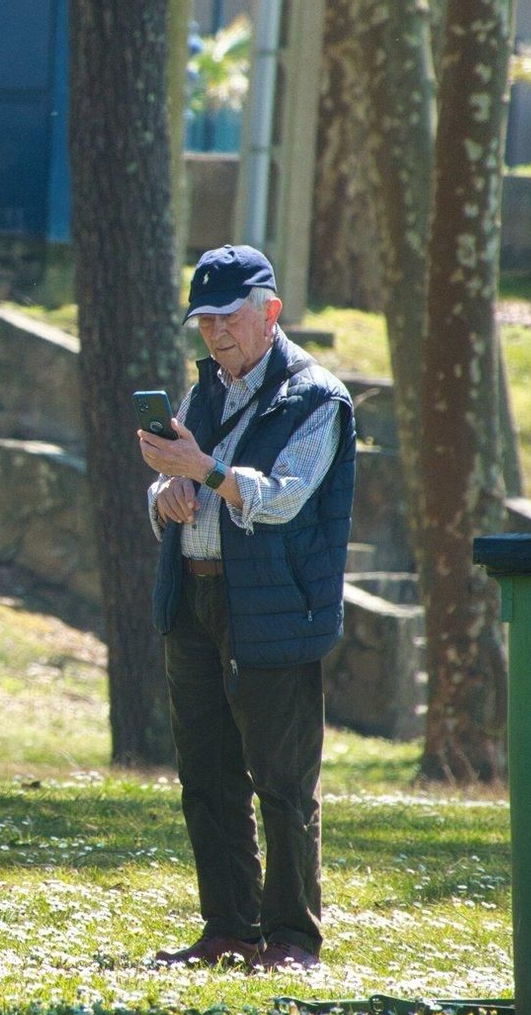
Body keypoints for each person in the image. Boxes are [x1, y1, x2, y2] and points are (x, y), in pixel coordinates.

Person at [137, 245, 356, 971]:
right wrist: (166, 494)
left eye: (228, 318)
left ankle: (293, 938)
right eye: (203, 321)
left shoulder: (317, 398)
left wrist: (204, 469)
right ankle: (227, 927)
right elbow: (188, 486)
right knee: (206, 775)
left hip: (273, 609)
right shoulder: (205, 391)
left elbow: (285, 498)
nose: (215, 334)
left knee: (283, 781)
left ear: (270, 313)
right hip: (194, 594)